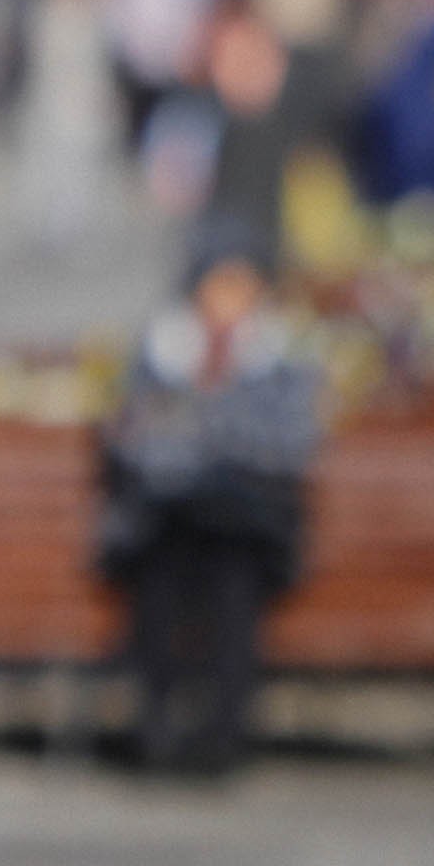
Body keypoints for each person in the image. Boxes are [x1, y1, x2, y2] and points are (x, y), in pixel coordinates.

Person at [98, 235, 320, 776]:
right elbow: (133, 433)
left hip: (246, 524)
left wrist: (202, 426)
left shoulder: (282, 355)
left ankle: (223, 737)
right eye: (219, 283)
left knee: (234, 592)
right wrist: (205, 434)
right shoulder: (161, 350)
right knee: (156, 586)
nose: (228, 298)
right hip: (168, 515)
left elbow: (289, 442)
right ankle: (157, 731)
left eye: (240, 284)